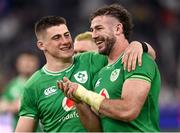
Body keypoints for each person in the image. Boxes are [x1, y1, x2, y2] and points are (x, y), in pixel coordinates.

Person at [15, 16, 156, 132]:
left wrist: (139, 45)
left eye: (67, 35)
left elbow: (145, 55)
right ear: (41, 45)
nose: (65, 41)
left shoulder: (91, 60)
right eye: (57, 37)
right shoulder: (33, 85)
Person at [58, 4, 161, 132]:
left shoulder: (137, 59)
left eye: (99, 28)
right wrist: (78, 101)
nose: (94, 35)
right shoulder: (102, 73)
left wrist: (85, 94)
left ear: (118, 29)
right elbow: (97, 130)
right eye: (92, 30)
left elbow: (128, 110)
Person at [0, 52, 39, 131]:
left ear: (36, 63)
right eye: (24, 61)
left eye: (30, 61)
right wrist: (14, 106)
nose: (27, 64)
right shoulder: (12, 85)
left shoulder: (41, 83)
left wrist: (19, 104)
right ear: (18, 64)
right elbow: (2, 105)